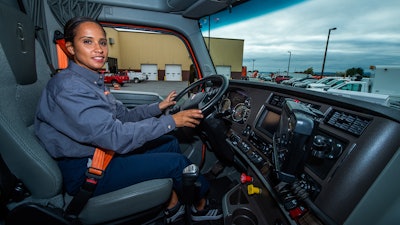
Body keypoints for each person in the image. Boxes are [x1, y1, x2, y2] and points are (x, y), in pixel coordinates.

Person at [34, 16, 222, 224]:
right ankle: (199, 208)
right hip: (86, 170)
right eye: (87, 41)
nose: (99, 49)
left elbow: (123, 116)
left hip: (101, 154)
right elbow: (115, 136)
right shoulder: (69, 87)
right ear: (70, 48)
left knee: (169, 142)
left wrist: (157, 108)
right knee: (177, 163)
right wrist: (172, 122)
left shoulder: (89, 80)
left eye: (102, 42)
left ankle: (172, 206)